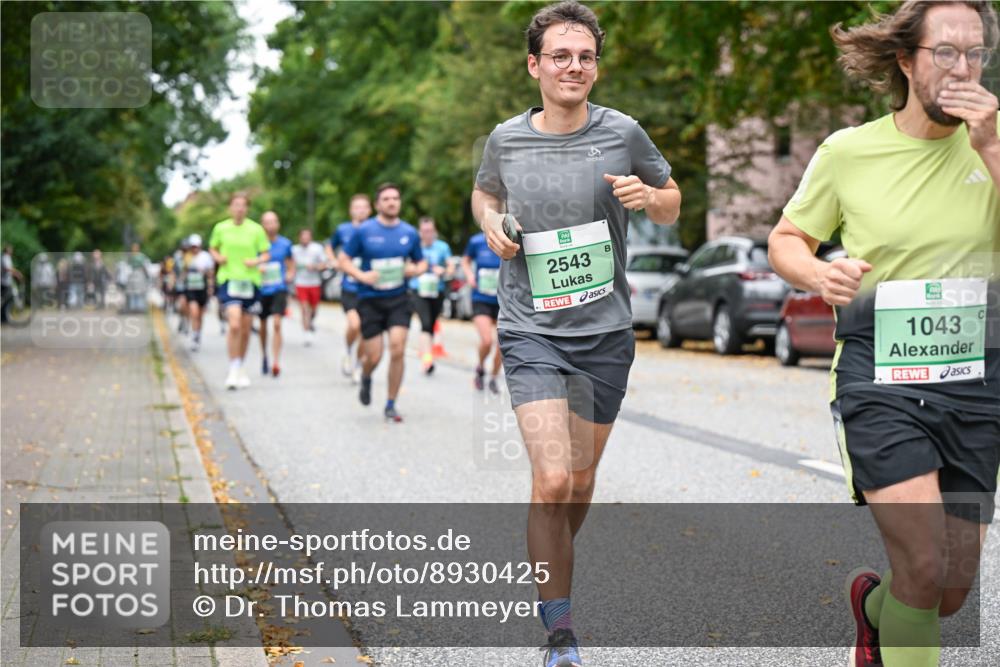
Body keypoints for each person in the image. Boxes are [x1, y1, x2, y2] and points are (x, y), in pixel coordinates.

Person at [767, 3, 999, 666]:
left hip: (977, 383)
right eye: (945, 52)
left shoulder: (996, 140)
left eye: (975, 53)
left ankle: (875, 609)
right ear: (905, 59)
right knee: (923, 562)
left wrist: (989, 147)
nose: (962, 68)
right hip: (881, 380)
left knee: (947, 590)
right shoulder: (849, 152)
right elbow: (786, 240)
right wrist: (819, 272)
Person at [471, 3, 681, 665]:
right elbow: (485, 193)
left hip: (605, 334)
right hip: (530, 328)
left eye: (585, 56)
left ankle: (551, 553)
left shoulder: (623, 133)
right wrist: (491, 223)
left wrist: (650, 198)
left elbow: (672, 201)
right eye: (561, 56)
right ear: (534, 65)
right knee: (554, 478)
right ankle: (560, 631)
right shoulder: (507, 139)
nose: (574, 66)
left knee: (581, 482)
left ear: (596, 66)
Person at [341, 183, 427, 422]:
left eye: (395, 198)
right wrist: (361, 276)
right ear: (377, 204)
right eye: (386, 199)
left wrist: (415, 270)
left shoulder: (409, 232)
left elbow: (421, 262)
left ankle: (391, 403)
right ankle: (366, 375)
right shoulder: (364, 231)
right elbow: (343, 259)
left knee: (398, 349)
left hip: (399, 299)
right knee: (374, 356)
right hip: (370, 300)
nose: (392, 202)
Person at [209, 192, 270, 390]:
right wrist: (218, 257)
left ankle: (241, 365)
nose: (239, 208)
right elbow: (212, 248)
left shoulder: (256, 229)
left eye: (243, 205)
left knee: (245, 329)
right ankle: (233, 367)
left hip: (250, 282)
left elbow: (266, 254)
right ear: (230, 207)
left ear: (247, 208)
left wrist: (256, 261)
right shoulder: (221, 228)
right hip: (229, 280)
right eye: (236, 205)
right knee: (234, 324)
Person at [328, 194, 373, 382]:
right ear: (351, 210)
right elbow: (329, 246)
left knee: (364, 332)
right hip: (349, 287)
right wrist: (334, 261)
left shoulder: (375, 229)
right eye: (357, 207)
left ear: (370, 210)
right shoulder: (343, 229)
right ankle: (348, 351)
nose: (360, 211)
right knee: (355, 324)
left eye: (364, 207)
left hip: (369, 288)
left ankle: (358, 365)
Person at [408, 216, 453, 375]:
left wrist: (444, 271)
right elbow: (407, 266)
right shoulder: (414, 246)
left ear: (435, 231)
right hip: (418, 290)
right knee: (426, 323)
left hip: (436, 290)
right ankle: (427, 361)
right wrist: (417, 270)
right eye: (425, 231)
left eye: (430, 231)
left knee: (431, 324)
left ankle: (427, 354)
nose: (428, 234)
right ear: (420, 232)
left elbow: (451, 267)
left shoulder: (442, 247)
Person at [462, 231, 503, 393]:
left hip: (502, 301)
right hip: (481, 298)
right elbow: (465, 260)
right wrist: (469, 275)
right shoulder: (476, 241)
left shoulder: (507, 239)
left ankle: (493, 377)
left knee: (502, 345)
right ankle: (480, 368)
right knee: (487, 341)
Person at [258, 212, 294, 375]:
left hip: (279, 288)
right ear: (262, 225)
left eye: (273, 222)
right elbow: (250, 263)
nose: (270, 226)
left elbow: (291, 264)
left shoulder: (285, 244)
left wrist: (289, 274)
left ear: (278, 224)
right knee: (263, 324)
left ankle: (276, 361)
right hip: (262, 289)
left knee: (277, 324)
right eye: (267, 222)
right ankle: (264, 356)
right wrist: (258, 268)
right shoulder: (257, 244)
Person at [290, 228, 326, 346]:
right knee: (305, 308)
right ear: (299, 238)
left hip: (314, 283)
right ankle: (307, 333)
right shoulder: (294, 250)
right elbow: (290, 264)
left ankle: (311, 321)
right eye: (303, 236)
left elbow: (324, 264)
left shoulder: (317, 248)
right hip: (300, 283)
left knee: (314, 310)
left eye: (307, 236)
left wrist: (315, 266)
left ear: (311, 237)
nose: (305, 239)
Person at [182, 234, 215, 352]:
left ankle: (198, 333)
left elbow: (211, 274)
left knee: (200, 315)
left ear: (200, 246)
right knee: (194, 313)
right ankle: (194, 336)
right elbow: (183, 272)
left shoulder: (206, 257)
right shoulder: (187, 257)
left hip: (202, 289)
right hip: (191, 289)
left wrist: (210, 287)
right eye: (192, 246)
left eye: (196, 246)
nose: (194, 249)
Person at [0, 245, 24, 323]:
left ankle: (4, 317)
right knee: (6, 299)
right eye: (10, 249)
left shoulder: (7, 257)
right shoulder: (5, 257)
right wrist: (17, 273)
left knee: (6, 299)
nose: (11, 251)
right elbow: (7, 268)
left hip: (7, 281)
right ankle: (3, 317)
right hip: (4, 282)